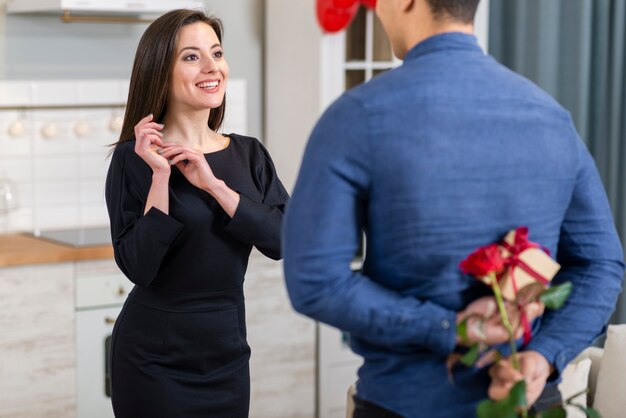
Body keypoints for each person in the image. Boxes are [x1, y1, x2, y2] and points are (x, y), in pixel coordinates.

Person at [283, 0, 624, 417]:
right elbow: (601, 264)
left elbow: (316, 281)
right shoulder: (550, 116)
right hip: (528, 403)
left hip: (406, 405)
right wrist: (543, 356)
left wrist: (454, 329)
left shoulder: (357, 116)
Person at [105, 9, 288, 418]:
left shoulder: (249, 154)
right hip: (152, 362)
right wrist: (159, 176)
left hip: (227, 356)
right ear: (160, 71)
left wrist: (214, 187)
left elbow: (285, 240)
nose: (212, 67)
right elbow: (139, 267)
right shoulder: (133, 160)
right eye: (191, 57)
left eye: (217, 53)